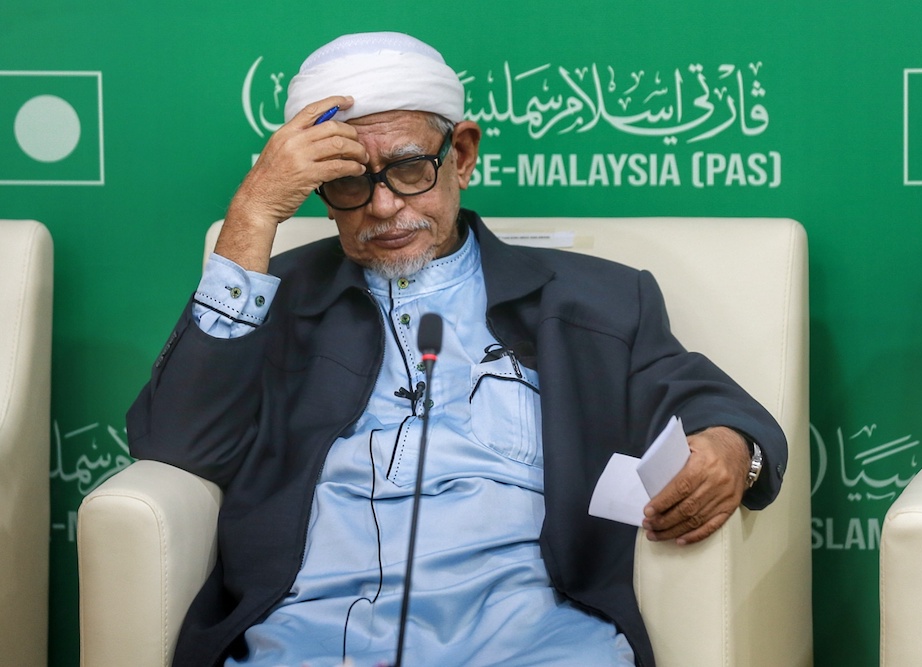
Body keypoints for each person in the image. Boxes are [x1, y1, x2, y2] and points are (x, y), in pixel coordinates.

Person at [127, 31, 787, 667]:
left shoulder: (588, 301)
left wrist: (732, 449)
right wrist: (252, 217)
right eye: (350, 182)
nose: (384, 206)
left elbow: (703, 401)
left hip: (531, 638)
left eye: (410, 168)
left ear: (462, 154)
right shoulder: (274, 296)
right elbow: (180, 444)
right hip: (311, 634)